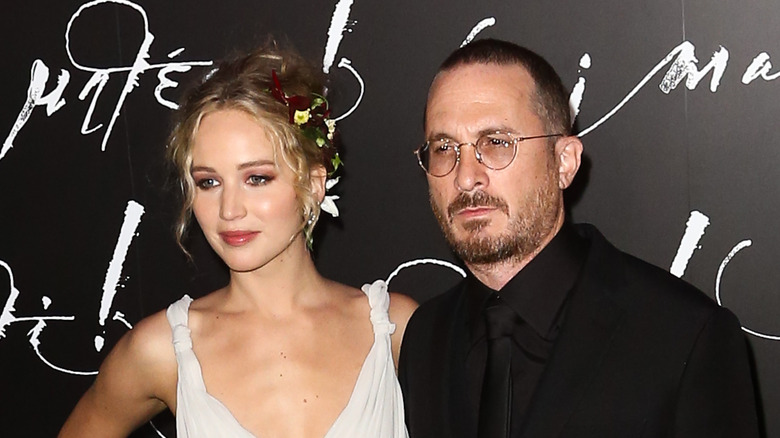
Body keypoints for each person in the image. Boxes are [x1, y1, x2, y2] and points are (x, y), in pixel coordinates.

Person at [398, 38, 759, 438]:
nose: (465, 176)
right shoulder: (424, 339)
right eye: (444, 147)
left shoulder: (686, 337)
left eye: (497, 143)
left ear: (564, 163)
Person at [59, 43, 416, 438]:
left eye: (256, 178)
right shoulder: (162, 350)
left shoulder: (394, 329)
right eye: (208, 182)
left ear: (314, 184)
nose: (229, 209)